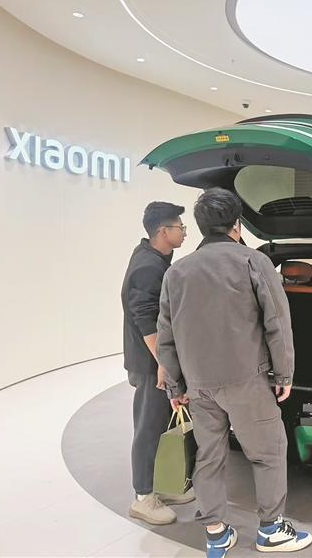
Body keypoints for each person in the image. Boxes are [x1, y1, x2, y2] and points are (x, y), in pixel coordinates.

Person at [157, 189, 312, 558]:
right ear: (237, 225)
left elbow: (167, 333)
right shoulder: (253, 262)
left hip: (199, 386)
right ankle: (271, 531)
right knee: (268, 452)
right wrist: (284, 375)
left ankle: (216, 534)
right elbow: (277, 323)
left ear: (200, 227)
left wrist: (175, 387)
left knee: (209, 457)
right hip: (247, 381)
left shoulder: (176, 272)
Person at [121, 201, 190, 525]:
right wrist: (163, 362)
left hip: (155, 360)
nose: (184, 232)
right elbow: (146, 319)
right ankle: (143, 497)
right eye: (180, 227)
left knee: (163, 424)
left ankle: (161, 486)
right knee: (149, 428)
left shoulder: (154, 258)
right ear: (163, 231)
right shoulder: (148, 266)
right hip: (151, 364)